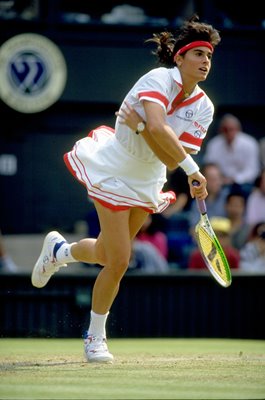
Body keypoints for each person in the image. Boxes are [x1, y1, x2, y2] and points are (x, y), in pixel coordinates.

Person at [31, 14, 221, 363]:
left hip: (149, 179)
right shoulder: (158, 78)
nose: (205, 62)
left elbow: (167, 150)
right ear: (179, 58)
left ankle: (60, 252)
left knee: (106, 254)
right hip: (115, 169)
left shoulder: (204, 108)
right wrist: (187, 166)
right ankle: (95, 338)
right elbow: (163, 133)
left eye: (209, 57)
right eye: (198, 55)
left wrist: (143, 129)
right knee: (120, 260)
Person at [203, 113, 260, 197]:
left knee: (245, 189)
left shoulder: (250, 143)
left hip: (243, 183)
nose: (229, 132)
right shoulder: (214, 144)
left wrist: (235, 179)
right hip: (220, 182)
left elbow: (252, 170)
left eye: (231, 129)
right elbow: (209, 166)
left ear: (238, 129)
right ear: (221, 130)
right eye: (225, 129)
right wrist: (218, 179)